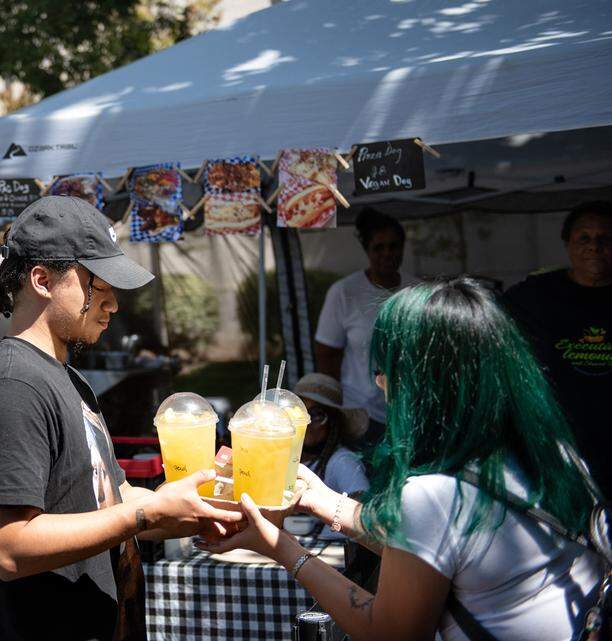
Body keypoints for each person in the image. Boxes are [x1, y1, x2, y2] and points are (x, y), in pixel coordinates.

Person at [199, 277, 601, 641]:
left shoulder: (434, 495)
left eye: (385, 369)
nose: (380, 383)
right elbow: (436, 548)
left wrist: (280, 546)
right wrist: (321, 499)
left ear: (422, 384)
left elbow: (388, 631)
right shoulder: (553, 457)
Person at [0, 196, 241, 641]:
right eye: (99, 286)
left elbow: (112, 499)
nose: (113, 305)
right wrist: (148, 514)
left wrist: (183, 507)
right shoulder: (14, 387)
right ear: (42, 279)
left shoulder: (69, 379)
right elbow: (10, 547)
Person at [503, 201, 612, 498]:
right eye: (584, 238)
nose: (594, 247)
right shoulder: (535, 296)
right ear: (567, 244)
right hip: (561, 446)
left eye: (604, 239)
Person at [315, 207, 420, 445]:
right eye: (378, 247)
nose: (387, 253)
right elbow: (326, 355)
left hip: (408, 411)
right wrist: (333, 410)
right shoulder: (344, 292)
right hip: (360, 413)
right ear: (367, 250)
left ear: (403, 247)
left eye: (394, 246)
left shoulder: (417, 291)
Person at [292, 373, 369, 499]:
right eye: (299, 413)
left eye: (317, 415)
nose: (307, 422)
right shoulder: (287, 458)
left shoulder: (343, 462)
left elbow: (362, 507)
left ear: (334, 422)